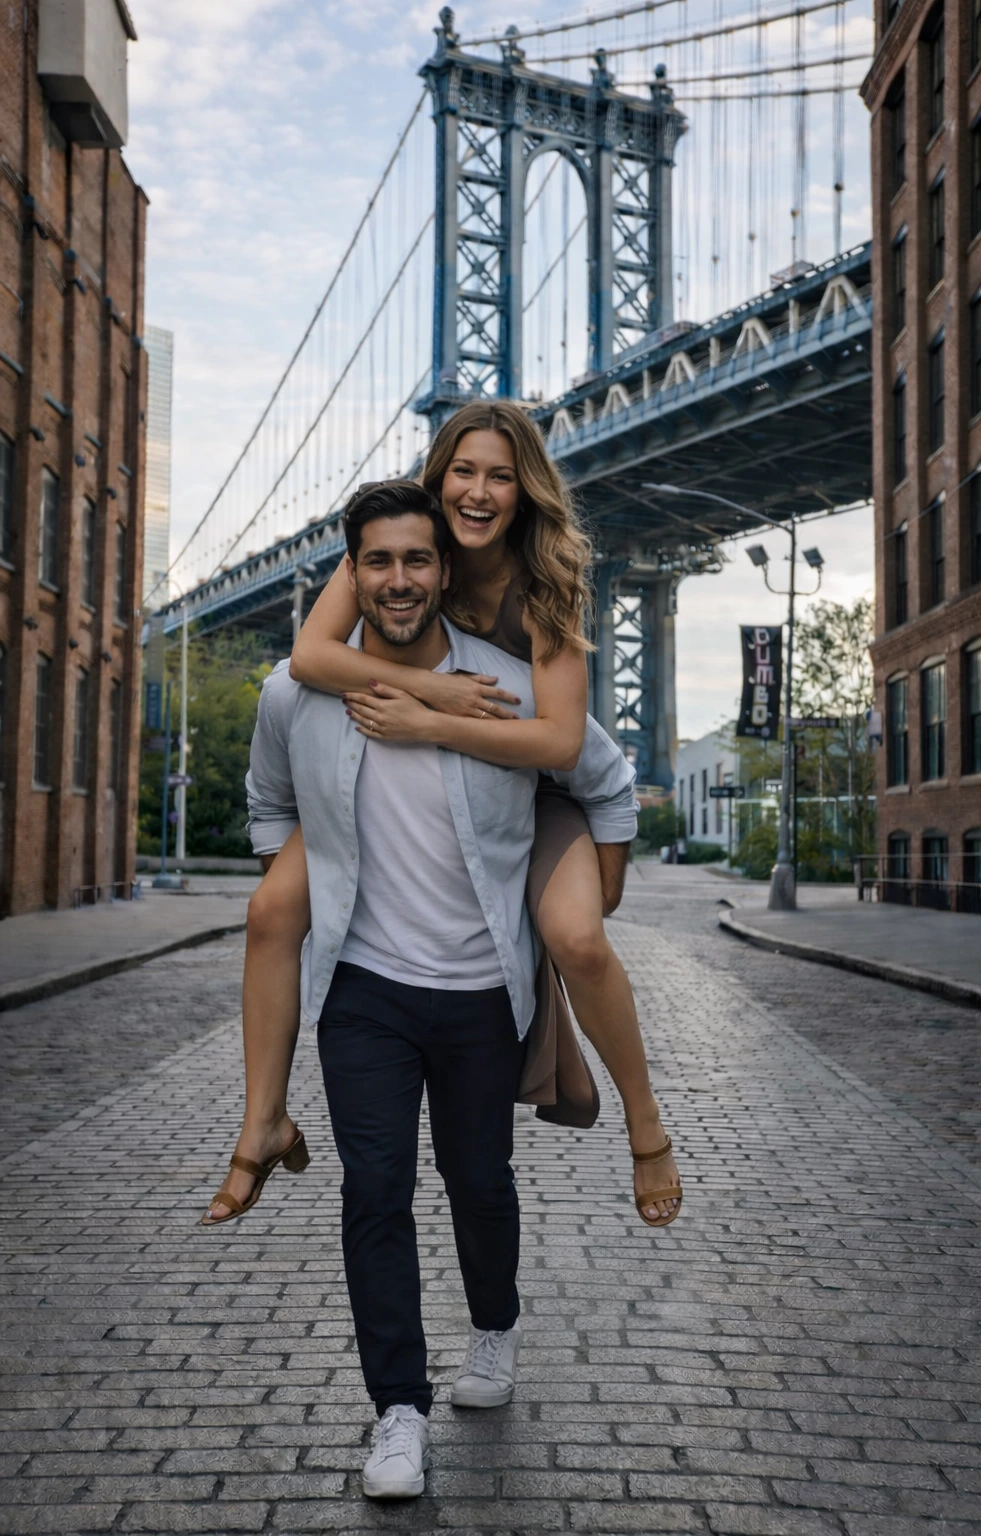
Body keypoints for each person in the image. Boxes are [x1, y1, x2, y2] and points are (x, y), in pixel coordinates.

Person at [243, 481, 640, 1498]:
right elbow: (267, 802)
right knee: (374, 1189)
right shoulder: (297, 692)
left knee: (480, 1184)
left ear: (444, 568)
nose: (398, 580)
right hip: (362, 990)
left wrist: (592, 900)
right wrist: (300, 879)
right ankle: (399, 1412)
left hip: (480, 991)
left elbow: (600, 776)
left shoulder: (506, 685)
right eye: (377, 561)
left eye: (417, 560)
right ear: (353, 571)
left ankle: (495, 1325)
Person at [202, 400, 681, 1228]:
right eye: (463, 470)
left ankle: (646, 1126)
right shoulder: (403, 541)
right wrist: (432, 690)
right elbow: (310, 657)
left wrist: (431, 722)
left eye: (501, 476)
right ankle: (264, 1121)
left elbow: (564, 743)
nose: (478, 492)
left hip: (535, 782)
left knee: (576, 940)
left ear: (526, 490)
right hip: (428, 767)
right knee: (271, 910)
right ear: (437, 477)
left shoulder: (547, 578)